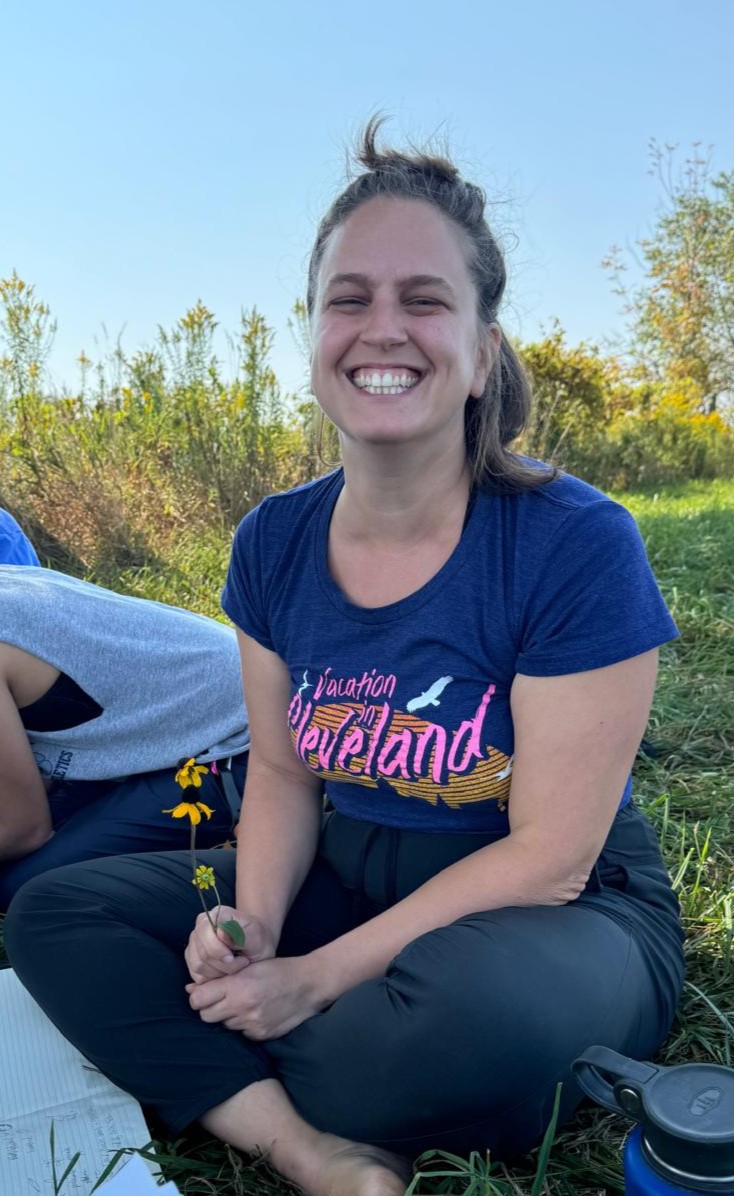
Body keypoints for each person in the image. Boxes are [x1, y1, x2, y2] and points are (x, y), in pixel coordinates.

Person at [6, 122, 685, 1196]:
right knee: (53, 913)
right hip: (348, 868)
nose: (383, 328)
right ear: (315, 334)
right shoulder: (272, 541)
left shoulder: (573, 541)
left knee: (458, 1023)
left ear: (483, 349)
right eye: (349, 298)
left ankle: (238, 1055)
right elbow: (281, 774)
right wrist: (254, 928)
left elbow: (550, 855)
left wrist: (314, 977)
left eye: (425, 299)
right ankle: (304, 1143)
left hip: (552, 907)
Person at [0, 566, 249, 908]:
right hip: (175, 724)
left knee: (24, 886)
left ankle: (248, 863)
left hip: (237, 741)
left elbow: (24, 830)